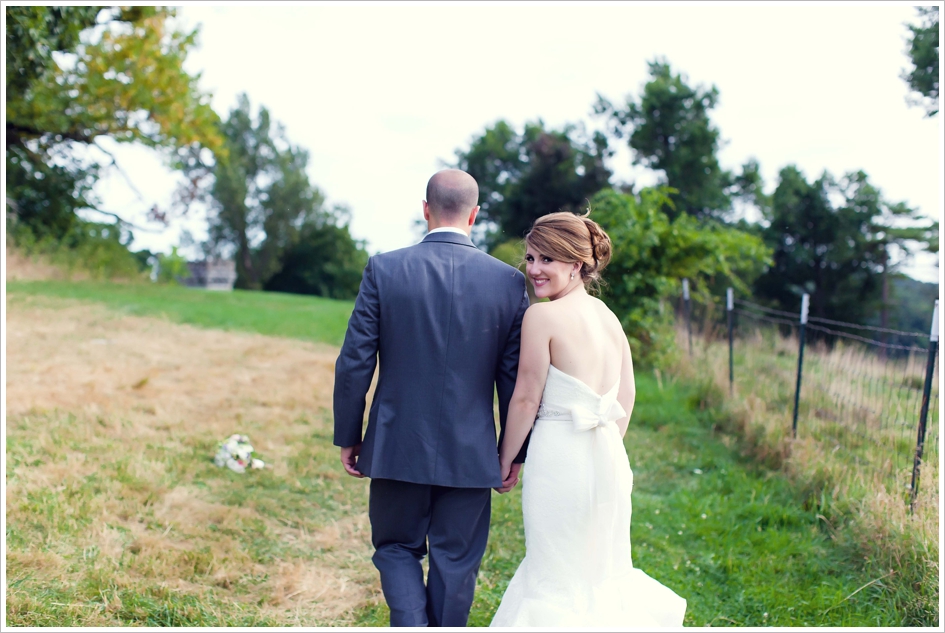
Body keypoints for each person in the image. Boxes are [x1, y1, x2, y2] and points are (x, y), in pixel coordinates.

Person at [333, 169, 529, 627]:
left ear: (425, 209)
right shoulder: (508, 283)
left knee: (396, 547)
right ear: (474, 215)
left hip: (396, 442)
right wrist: (514, 453)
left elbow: (354, 362)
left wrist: (350, 433)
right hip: (472, 449)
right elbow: (515, 380)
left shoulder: (385, 268)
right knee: (456, 560)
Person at [490, 211, 687, 627]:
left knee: (555, 570)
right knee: (599, 569)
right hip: (608, 458)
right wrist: (606, 446)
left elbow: (525, 398)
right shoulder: (609, 318)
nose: (534, 270)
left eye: (548, 260)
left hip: (559, 459)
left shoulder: (541, 317)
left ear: (576, 265)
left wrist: (506, 459)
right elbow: (626, 396)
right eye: (530, 258)